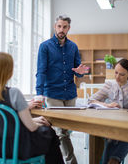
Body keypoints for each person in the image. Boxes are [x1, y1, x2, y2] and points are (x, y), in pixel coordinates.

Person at [0, 52, 64, 163]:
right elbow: (32, 128)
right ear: (8, 72)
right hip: (19, 148)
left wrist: (32, 120)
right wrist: (36, 123)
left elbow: (5, 123)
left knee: (46, 135)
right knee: (49, 133)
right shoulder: (13, 93)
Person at [36, 15, 89, 164]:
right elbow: (41, 71)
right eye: (59, 26)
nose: (61, 29)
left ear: (68, 28)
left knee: (67, 130)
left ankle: (59, 159)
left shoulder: (73, 47)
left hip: (70, 93)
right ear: (55, 27)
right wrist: (39, 93)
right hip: (52, 93)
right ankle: (71, 161)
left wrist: (80, 71)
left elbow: (77, 69)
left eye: (64, 27)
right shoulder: (45, 46)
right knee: (61, 132)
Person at [88, 59, 128, 164]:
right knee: (111, 135)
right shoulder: (109, 85)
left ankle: (114, 160)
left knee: (127, 133)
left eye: (122, 74)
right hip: (111, 125)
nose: (117, 77)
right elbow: (91, 100)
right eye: (116, 73)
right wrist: (107, 105)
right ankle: (114, 160)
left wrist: (125, 107)